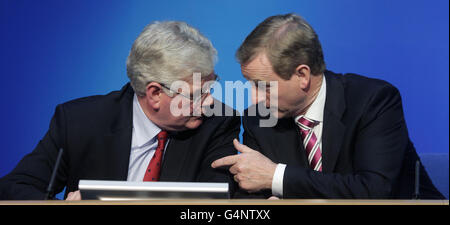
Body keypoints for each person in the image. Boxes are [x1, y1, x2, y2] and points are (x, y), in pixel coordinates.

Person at [212, 13, 444, 199]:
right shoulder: (258, 117)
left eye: (264, 86)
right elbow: (252, 192)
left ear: (302, 75)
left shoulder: (373, 100)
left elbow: (374, 190)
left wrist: (277, 176)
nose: (254, 99)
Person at [0, 21, 239, 200]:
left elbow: (216, 203)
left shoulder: (218, 122)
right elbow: (15, 187)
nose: (209, 103)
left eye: (211, 87)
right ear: (155, 93)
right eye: (197, 94)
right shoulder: (79, 121)